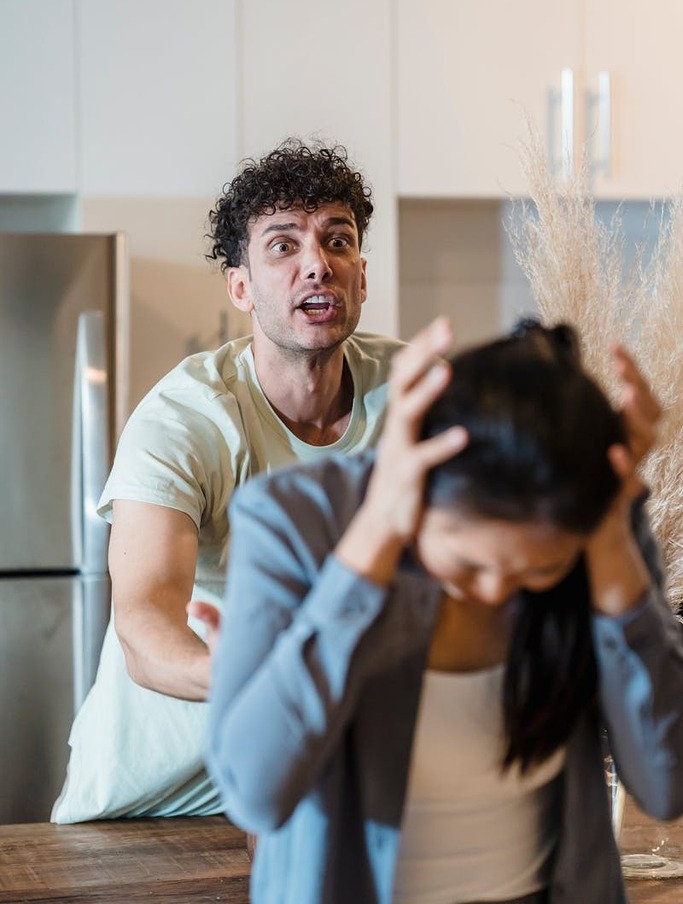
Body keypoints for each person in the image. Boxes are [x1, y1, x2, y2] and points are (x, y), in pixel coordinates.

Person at [206, 316, 683, 904]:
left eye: (539, 572)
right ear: (422, 485)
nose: (495, 592)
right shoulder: (297, 521)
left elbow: (666, 783)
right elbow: (255, 789)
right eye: (464, 565)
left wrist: (609, 530)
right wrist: (374, 536)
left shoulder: (584, 519)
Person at [52, 139, 402, 823]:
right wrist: (257, 678)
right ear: (240, 286)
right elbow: (144, 618)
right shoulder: (188, 417)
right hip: (158, 809)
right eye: (282, 246)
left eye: (337, 241)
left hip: (316, 787)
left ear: (360, 275)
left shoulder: (411, 392)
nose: (315, 265)